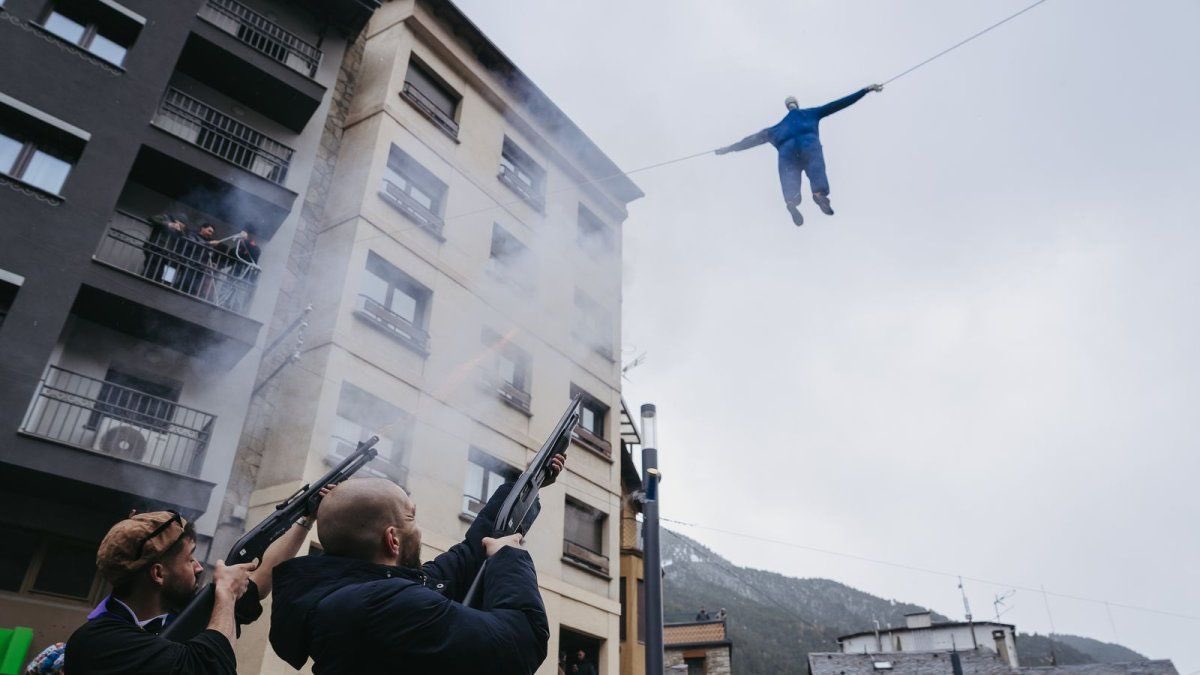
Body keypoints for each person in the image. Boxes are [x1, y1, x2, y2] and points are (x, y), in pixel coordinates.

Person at [269, 455, 567, 675]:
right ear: (392, 540)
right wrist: (509, 556)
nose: (418, 526)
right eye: (410, 517)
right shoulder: (385, 605)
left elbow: (468, 554)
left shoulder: (366, 594)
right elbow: (521, 644)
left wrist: (525, 488)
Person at [65, 506, 321, 675]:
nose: (199, 567)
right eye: (189, 559)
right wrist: (226, 595)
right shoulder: (98, 643)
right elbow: (209, 667)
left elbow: (258, 582)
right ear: (158, 574)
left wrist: (304, 520)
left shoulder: (181, 616)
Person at [715, 85, 884, 226]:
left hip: (786, 152)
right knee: (816, 169)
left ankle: (791, 201)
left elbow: (750, 140)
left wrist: (729, 148)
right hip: (809, 144)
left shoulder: (775, 129)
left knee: (789, 179)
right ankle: (819, 194)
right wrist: (865, 90)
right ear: (797, 104)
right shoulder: (810, 114)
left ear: (787, 107)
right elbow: (838, 104)